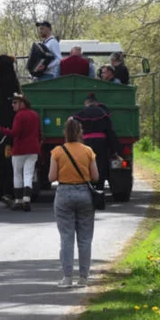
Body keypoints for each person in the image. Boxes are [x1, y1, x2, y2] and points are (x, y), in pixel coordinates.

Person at [48, 117, 100, 288]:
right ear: (80, 132)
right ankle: (84, 278)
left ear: (65, 132)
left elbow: (51, 177)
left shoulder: (57, 152)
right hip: (85, 194)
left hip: (64, 194)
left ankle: (67, 277)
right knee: (85, 238)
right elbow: (95, 177)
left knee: (66, 237)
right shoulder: (88, 151)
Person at [0, 92, 41, 211]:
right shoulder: (35, 115)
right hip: (33, 149)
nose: (13, 105)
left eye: (15, 102)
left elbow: (15, 132)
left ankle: (18, 200)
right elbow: (39, 132)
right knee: (28, 174)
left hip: (19, 149)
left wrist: (2, 130)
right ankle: (27, 199)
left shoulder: (19, 116)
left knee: (17, 174)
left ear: (22, 103)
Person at [73, 92, 120, 193]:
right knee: (101, 165)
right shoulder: (103, 113)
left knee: (86, 165)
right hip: (100, 143)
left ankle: (88, 187)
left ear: (86, 103)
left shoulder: (80, 114)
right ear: (96, 103)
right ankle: (100, 189)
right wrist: (114, 149)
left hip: (86, 143)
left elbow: (75, 131)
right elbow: (110, 132)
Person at [0, 54, 21, 205]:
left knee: (0, 161)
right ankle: (10, 190)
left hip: (0, 131)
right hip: (11, 130)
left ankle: (2, 191)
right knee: (10, 161)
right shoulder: (15, 99)